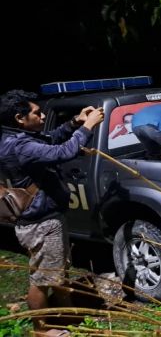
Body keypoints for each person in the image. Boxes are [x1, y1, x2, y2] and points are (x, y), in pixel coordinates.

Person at [0, 89, 104, 335]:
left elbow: (50, 139)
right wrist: (87, 127)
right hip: (41, 223)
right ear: (19, 118)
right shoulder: (20, 146)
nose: (42, 115)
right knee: (42, 279)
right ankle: (41, 329)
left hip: (44, 219)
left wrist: (73, 123)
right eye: (37, 112)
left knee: (56, 272)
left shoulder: (16, 137)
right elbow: (63, 152)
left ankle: (65, 313)